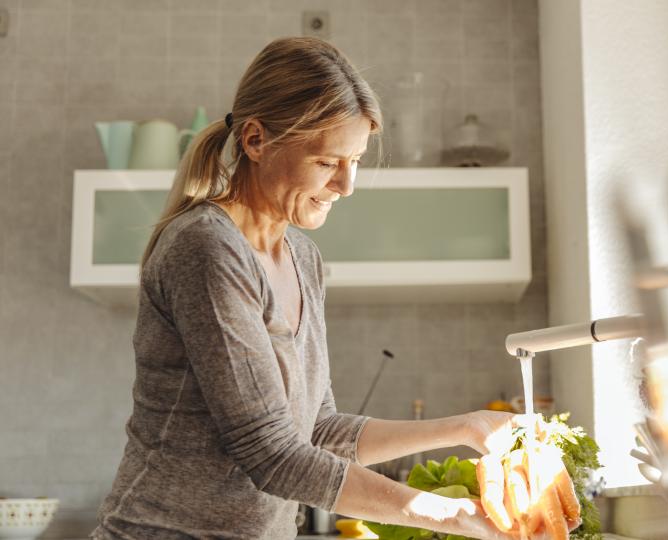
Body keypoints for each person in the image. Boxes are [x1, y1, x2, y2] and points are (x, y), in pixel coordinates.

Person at [90, 37, 526, 540]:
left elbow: (317, 432)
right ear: (256, 141)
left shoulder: (303, 258)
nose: (347, 185)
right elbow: (269, 452)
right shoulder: (207, 248)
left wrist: (464, 429)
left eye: (356, 160)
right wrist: (451, 515)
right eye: (326, 162)